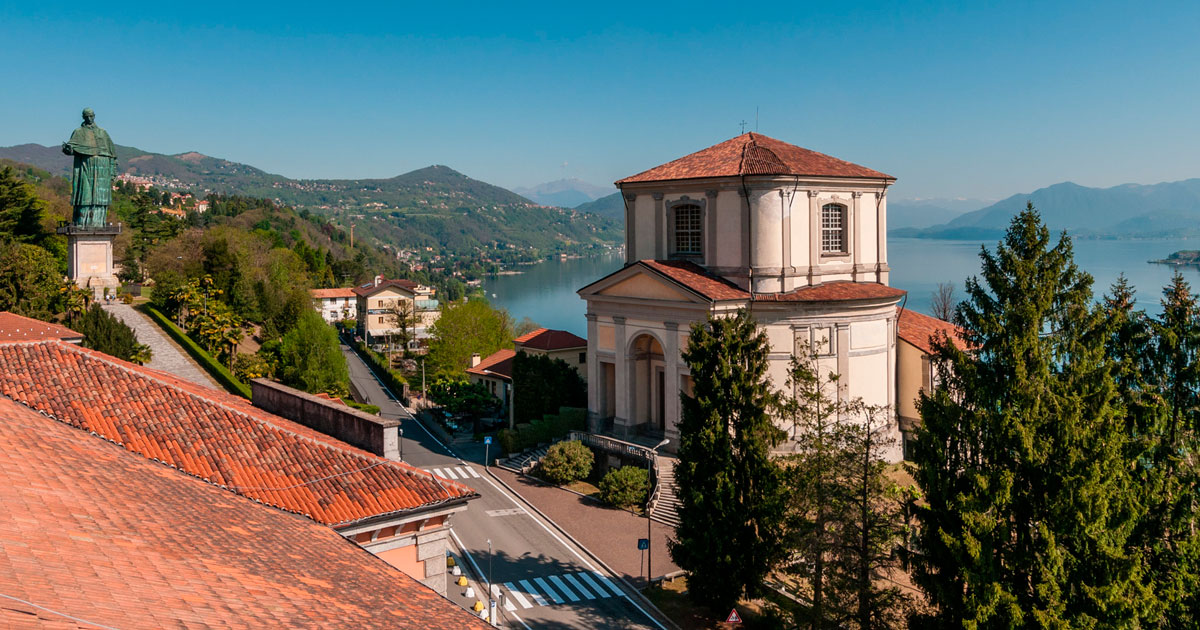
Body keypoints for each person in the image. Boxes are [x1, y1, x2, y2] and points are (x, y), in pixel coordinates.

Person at [62, 108, 118, 228]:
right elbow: (71, 148)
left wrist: (113, 172)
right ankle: (83, 222)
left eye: (91, 116)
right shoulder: (78, 132)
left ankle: (98, 222)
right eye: (87, 116)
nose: (89, 118)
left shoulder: (103, 132)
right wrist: (68, 149)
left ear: (94, 116)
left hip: (103, 168)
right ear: (83, 117)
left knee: (100, 198)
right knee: (85, 195)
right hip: (85, 167)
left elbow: (112, 154)